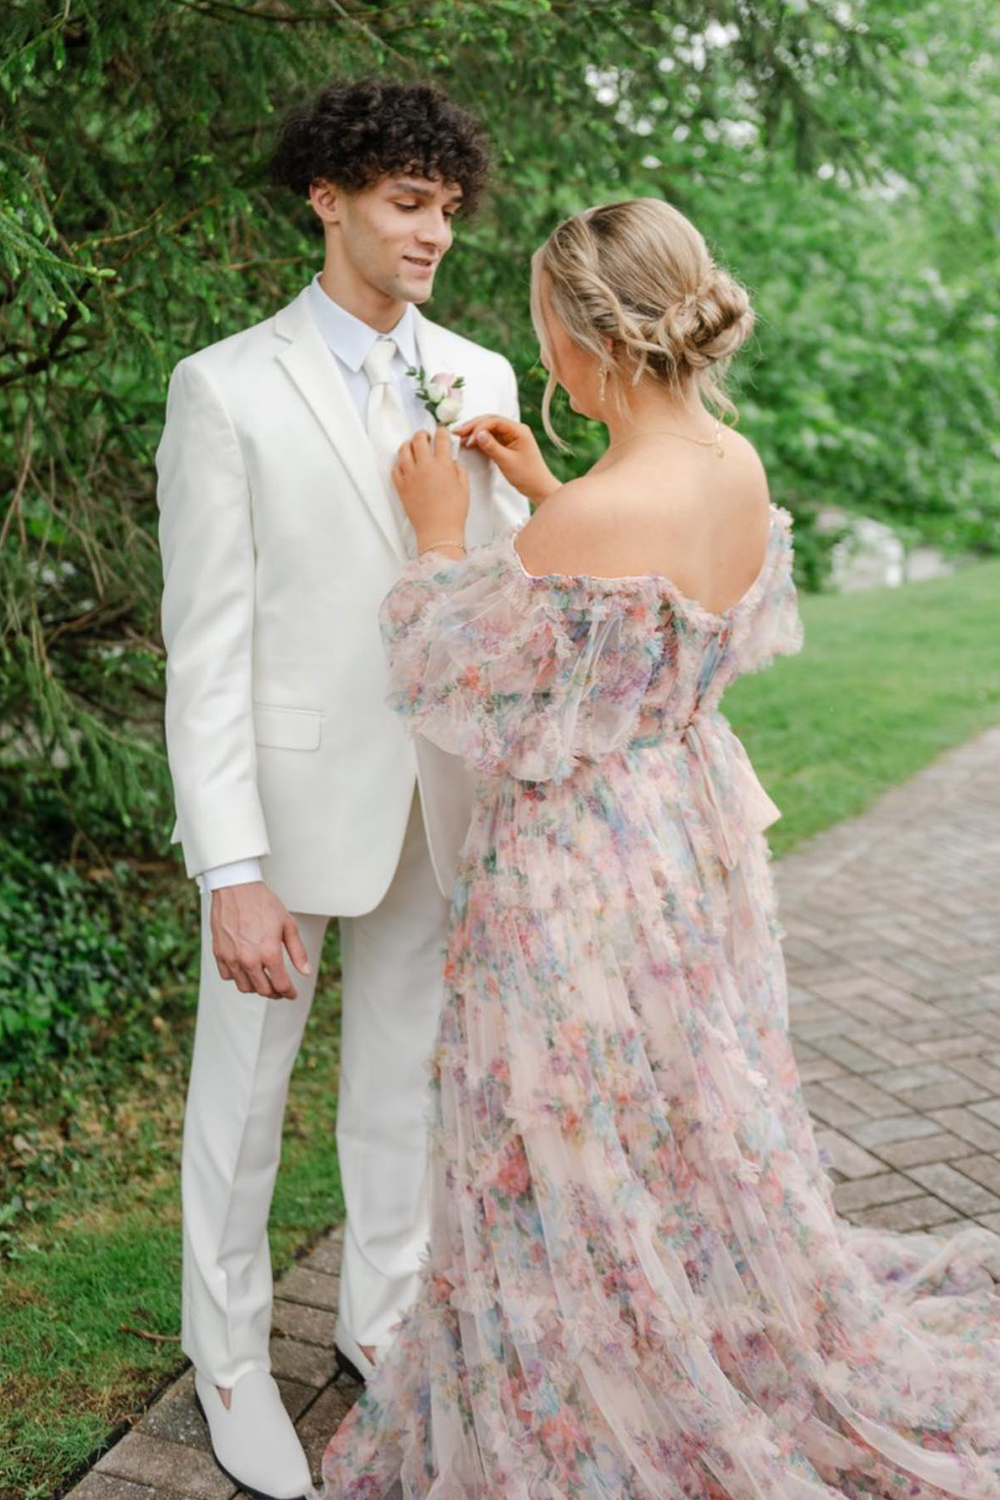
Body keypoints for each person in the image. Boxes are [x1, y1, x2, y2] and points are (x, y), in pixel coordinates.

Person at [316, 198, 1000, 1500]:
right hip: (684, 847)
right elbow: (651, 626)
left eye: (545, 330)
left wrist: (442, 537)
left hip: (579, 867)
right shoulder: (731, 469)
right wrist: (543, 488)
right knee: (680, 1118)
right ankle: (699, 1329)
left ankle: (602, 1385)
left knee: (567, 1137)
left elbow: (459, 684)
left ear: (588, 342)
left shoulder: (585, 529)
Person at [154, 77, 529, 1500]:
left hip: (440, 796)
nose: (431, 231)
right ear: (329, 198)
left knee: (407, 1078)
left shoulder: (482, 378)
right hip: (292, 808)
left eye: (444, 206)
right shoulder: (225, 387)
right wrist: (228, 866)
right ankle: (233, 1359)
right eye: (403, 202)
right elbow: (211, 653)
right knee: (240, 1097)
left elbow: (493, 601)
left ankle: (382, 1323)